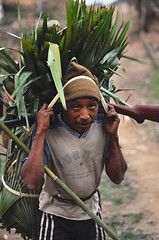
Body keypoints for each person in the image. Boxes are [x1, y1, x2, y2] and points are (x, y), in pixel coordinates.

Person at [21, 61, 127, 240]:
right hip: (55, 215)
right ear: (63, 106)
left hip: (91, 213)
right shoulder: (49, 131)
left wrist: (114, 137)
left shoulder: (103, 127)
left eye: (91, 106)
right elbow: (31, 182)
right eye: (76, 107)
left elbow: (117, 177)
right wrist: (40, 132)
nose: (85, 115)